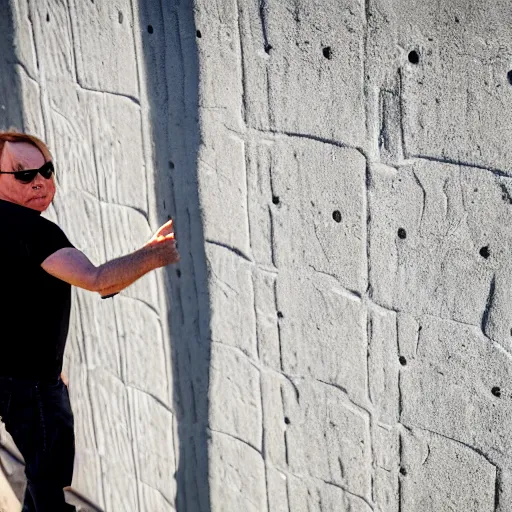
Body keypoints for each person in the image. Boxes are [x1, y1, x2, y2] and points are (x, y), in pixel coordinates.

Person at [0, 131, 180, 511]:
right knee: (48, 483)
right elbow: (97, 280)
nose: (39, 180)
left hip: (16, 381)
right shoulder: (33, 230)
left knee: (41, 477)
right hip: (31, 388)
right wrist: (159, 254)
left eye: (45, 169)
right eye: (21, 173)